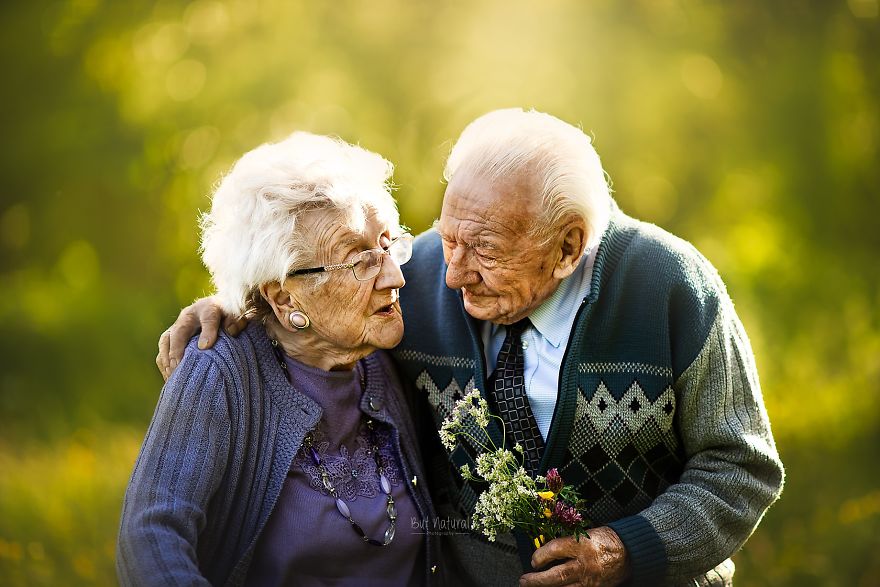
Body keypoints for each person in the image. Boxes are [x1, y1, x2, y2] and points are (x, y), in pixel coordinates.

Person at [158, 109, 784, 586]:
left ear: (568, 247)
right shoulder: (417, 276)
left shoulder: (670, 287)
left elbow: (741, 466)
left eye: (483, 250)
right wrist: (238, 304)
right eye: (447, 236)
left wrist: (624, 550)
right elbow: (319, 302)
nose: (451, 273)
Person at [119, 131, 440, 586]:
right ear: (286, 299)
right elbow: (150, 535)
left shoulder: (387, 347)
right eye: (358, 260)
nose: (394, 276)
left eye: (387, 244)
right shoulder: (220, 369)